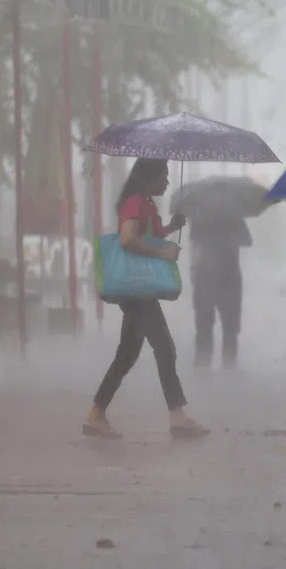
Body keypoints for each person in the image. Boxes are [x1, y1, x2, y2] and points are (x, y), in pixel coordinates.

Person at [83, 158, 209, 440]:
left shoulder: (145, 204)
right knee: (164, 348)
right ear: (149, 177)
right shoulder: (136, 202)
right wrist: (162, 253)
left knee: (127, 355)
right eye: (163, 175)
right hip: (137, 291)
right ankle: (177, 418)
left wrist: (168, 228)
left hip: (139, 290)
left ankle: (96, 414)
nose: (166, 181)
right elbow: (128, 240)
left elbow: (145, 235)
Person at [190, 215, 251, 368]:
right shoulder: (235, 217)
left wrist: (193, 269)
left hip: (206, 275)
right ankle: (229, 365)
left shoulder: (200, 216)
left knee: (204, 321)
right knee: (229, 323)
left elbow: (195, 246)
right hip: (229, 275)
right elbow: (248, 241)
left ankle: (202, 365)